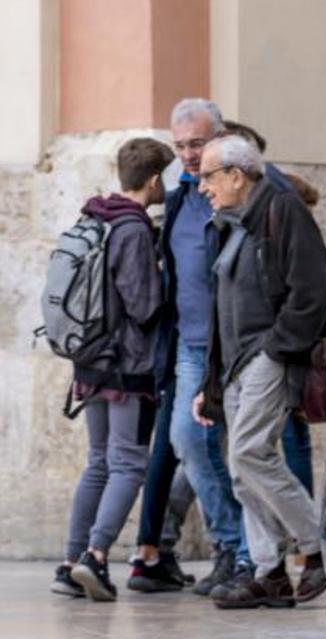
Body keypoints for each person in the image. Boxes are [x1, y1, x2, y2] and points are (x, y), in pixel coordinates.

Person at [192, 135, 326, 609]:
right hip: (234, 365)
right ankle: (269, 570)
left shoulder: (282, 210)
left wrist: (278, 349)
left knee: (251, 453)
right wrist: (210, 382)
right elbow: (220, 310)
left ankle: (318, 548)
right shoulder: (230, 224)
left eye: (207, 175)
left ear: (236, 174)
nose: (201, 186)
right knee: (239, 470)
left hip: (266, 356)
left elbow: (312, 286)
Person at [51, 137, 175, 601]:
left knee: (99, 463)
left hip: (90, 360)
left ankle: (68, 563)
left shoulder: (96, 217)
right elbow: (143, 306)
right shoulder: (132, 229)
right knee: (128, 464)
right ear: (155, 179)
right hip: (126, 365)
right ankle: (96, 556)